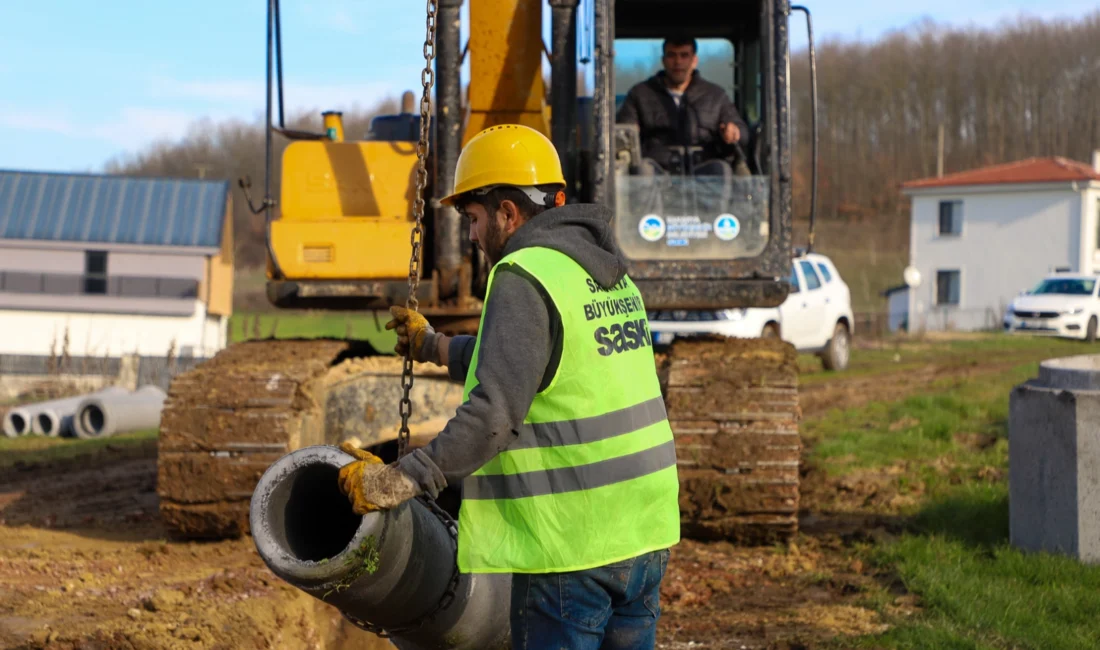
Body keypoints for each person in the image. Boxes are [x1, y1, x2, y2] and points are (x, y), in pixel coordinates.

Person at [336, 124, 681, 649]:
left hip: (573, 542)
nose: (472, 236)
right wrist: (433, 346)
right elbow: (543, 361)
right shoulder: (605, 272)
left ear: (507, 212)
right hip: (644, 531)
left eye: (474, 219)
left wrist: (400, 480)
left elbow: (493, 414)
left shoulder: (522, 272)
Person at [616, 36, 750, 178]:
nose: (678, 62)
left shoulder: (715, 96)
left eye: (684, 55)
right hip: (658, 171)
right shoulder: (640, 94)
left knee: (720, 169)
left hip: (703, 171)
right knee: (643, 170)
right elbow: (623, 133)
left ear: (694, 61)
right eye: (672, 55)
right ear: (663, 60)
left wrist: (734, 131)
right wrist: (631, 133)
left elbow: (742, 132)